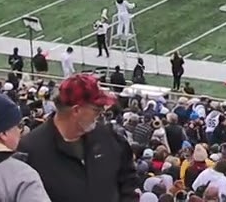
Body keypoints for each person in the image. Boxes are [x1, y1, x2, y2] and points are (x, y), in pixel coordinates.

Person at [18, 74, 139, 202]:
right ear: (76, 110)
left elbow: (128, 182)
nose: (101, 113)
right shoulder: (30, 150)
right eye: (96, 109)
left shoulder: (109, 138)